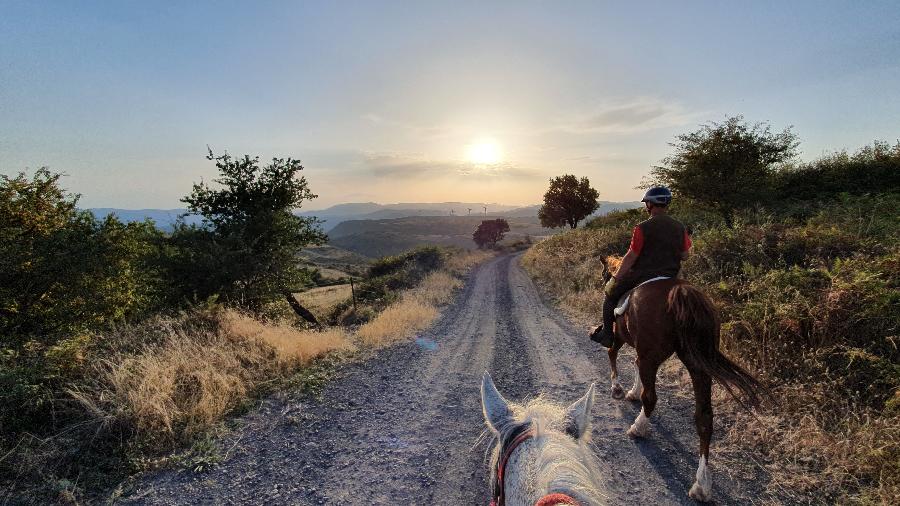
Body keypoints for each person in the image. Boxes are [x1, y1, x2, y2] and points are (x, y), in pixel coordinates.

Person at [590, 186, 692, 347]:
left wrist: (616, 277)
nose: (646, 206)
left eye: (647, 203)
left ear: (650, 204)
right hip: (671, 276)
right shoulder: (679, 227)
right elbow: (685, 256)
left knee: (609, 296)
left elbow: (631, 256)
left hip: (643, 275)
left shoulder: (642, 227)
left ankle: (607, 335)